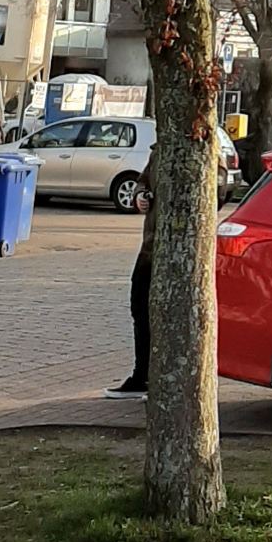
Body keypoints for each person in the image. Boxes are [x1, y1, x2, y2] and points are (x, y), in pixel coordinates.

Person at [105, 139, 156, 397]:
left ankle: (155, 377)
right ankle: (141, 376)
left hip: (173, 248)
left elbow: (216, 191)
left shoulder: (201, 148)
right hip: (150, 246)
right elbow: (143, 180)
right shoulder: (159, 150)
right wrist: (140, 195)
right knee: (140, 308)